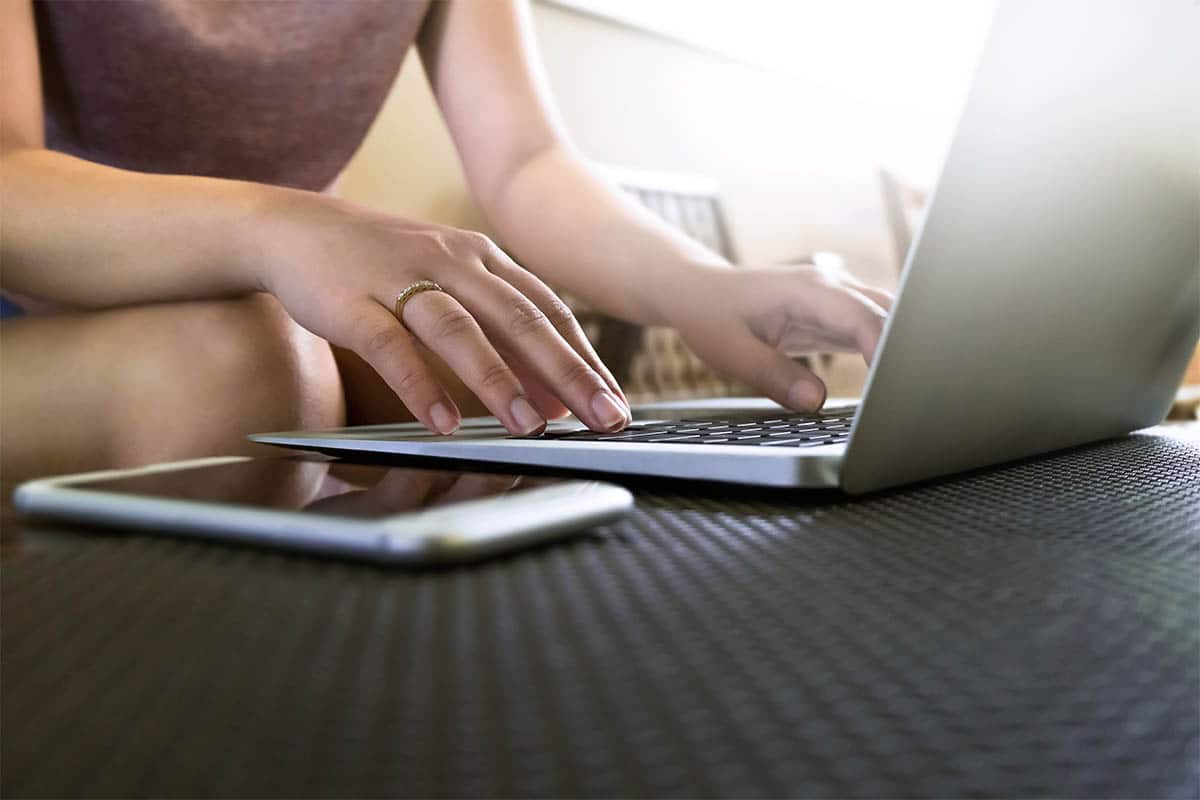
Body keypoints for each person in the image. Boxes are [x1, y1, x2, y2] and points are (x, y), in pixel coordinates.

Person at [0, 0, 893, 486]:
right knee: (230, 376)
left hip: (277, 306)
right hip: (38, 321)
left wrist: (697, 284)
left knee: (504, 387)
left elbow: (528, 162)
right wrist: (279, 226)